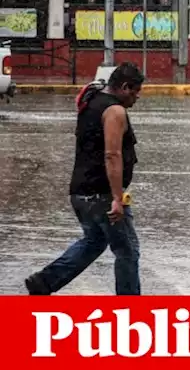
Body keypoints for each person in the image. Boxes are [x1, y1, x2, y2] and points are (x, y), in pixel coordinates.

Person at [25, 63, 146, 296]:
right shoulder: (115, 112)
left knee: (94, 241)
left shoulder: (91, 101)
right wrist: (117, 198)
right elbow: (112, 155)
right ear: (124, 87)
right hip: (101, 195)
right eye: (135, 91)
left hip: (80, 191)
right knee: (127, 250)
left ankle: (44, 282)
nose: (137, 97)